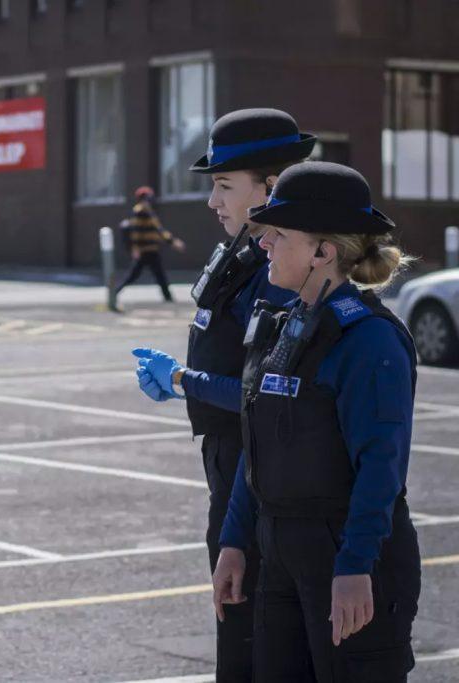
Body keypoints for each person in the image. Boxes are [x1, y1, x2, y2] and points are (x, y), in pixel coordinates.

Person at [211, 161, 420, 682]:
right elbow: (259, 444)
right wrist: (235, 541)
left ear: (323, 252)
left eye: (279, 234)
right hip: (280, 549)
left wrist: (355, 565)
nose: (264, 243)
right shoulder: (288, 324)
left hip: (345, 551)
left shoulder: (369, 340)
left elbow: (381, 466)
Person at [132, 108, 314, 682]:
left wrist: (183, 380)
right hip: (229, 464)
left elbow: (271, 395)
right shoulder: (244, 255)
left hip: (255, 471)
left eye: (225, 186)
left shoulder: (279, 271)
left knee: (252, 639)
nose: (213, 201)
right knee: (237, 633)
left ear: (272, 187)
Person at [112, 186, 185, 308]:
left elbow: (156, 230)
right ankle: (114, 292)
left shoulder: (145, 210)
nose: (151, 199)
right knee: (138, 275)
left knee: (154, 274)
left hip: (150, 249)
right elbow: (142, 231)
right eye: (148, 197)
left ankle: (167, 297)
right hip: (145, 250)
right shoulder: (141, 211)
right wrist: (172, 241)